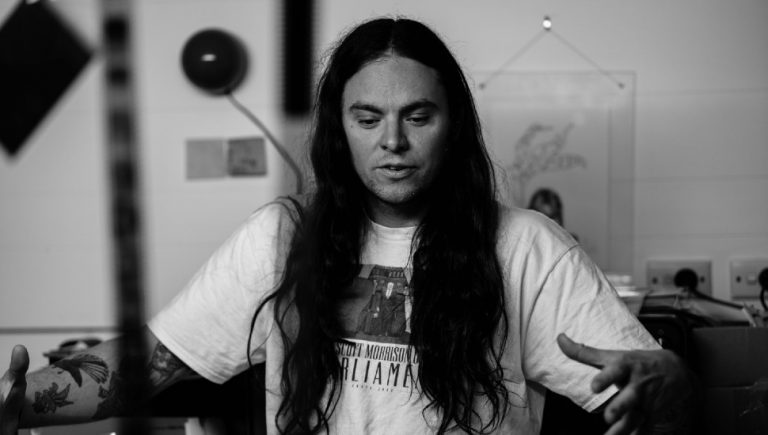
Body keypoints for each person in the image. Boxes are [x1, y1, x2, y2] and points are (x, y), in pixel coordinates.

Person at [1, 17, 692, 435]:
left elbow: (656, 388)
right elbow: (153, 361)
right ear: (341, 129)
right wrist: (16, 402)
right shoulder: (281, 239)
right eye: (368, 118)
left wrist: (668, 377)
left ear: (453, 127)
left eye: (418, 116)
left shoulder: (527, 247)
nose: (393, 140)